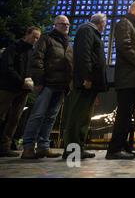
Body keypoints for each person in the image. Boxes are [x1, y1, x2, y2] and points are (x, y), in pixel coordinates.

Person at [21, 16, 73, 159]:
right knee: (37, 115)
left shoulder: (68, 43)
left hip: (61, 85)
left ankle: (43, 146)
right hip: (47, 84)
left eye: (68, 24)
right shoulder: (46, 39)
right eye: (63, 24)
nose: (66, 26)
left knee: (51, 117)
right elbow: (37, 59)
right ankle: (28, 147)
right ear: (55, 25)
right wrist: (38, 81)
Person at [62, 13, 108, 160]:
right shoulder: (86, 30)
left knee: (84, 117)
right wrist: (87, 77)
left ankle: (78, 148)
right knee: (77, 116)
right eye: (105, 25)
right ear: (101, 23)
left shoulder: (90, 31)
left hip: (91, 82)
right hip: (85, 81)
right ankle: (72, 150)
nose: (105, 28)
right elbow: (84, 55)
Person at [106, 2, 135, 160]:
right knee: (123, 115)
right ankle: (114, 149)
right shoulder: (124, 23)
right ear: (131, 10)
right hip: (127, 76)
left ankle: (126, 148)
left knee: (129, 115)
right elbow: (124, 46)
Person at [0, 27, 41, 157]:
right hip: (8, 87)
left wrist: (31, 82)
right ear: (27, 34)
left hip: (23, 90)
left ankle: (4, 146)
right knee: (1, 115)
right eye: (34, 36)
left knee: (14, 118)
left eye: (38, 38)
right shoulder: (13, 48)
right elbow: (7, 68)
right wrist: (21, 81)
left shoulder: (32, 52)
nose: (36, 40)